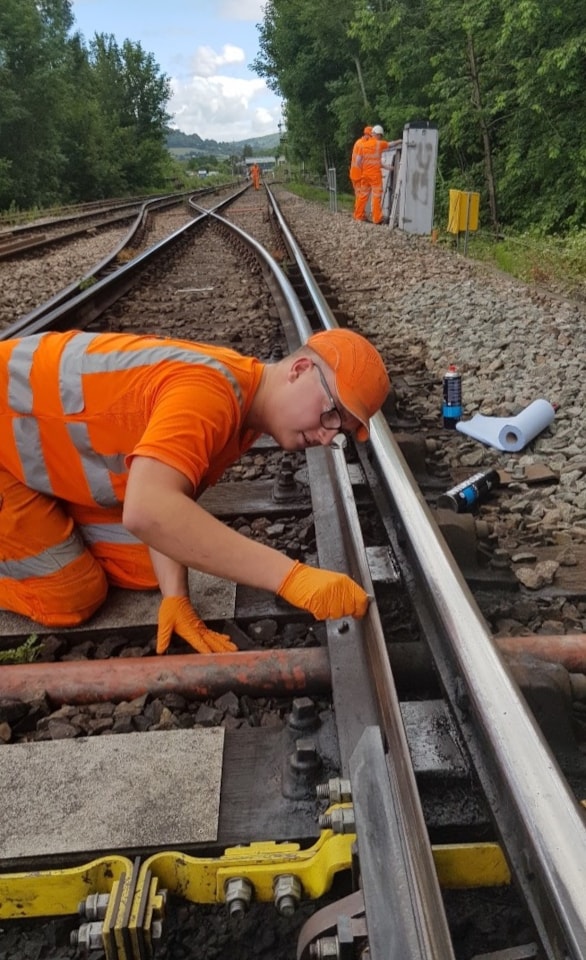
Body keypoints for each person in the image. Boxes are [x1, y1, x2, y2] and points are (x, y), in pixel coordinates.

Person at [0, 327, 391, 655]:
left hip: (31, 455)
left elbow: (170, 505)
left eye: (338, 430)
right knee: (72, 594)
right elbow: (146, 510)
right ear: (300, 369)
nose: (326, 434)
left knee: (142, 566)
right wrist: (291, 578)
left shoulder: (244, 402)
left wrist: (175, 596)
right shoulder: (210, 393)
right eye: (331, 413)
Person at [356, 124, 402, 225]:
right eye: (380, 136)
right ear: (379, 135)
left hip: (365, 175)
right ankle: (377, 219)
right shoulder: (379, 144)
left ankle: (358, 215)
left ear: (372, 134)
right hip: (375, 176)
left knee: (362, 195)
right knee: (376, 197)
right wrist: (400, 141)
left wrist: (364, 168)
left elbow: (358, 161)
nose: (380, 137)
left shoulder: (363, 145)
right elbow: (391, 144)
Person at [349, 126, 372, 221]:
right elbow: (360, 161)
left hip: (354, 173)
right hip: (359, 175)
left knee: (359, 195)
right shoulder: (362, 144)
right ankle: (359, 215)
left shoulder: (358, 142)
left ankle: (359, 213)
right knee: (361, 196)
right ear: (368, 135)